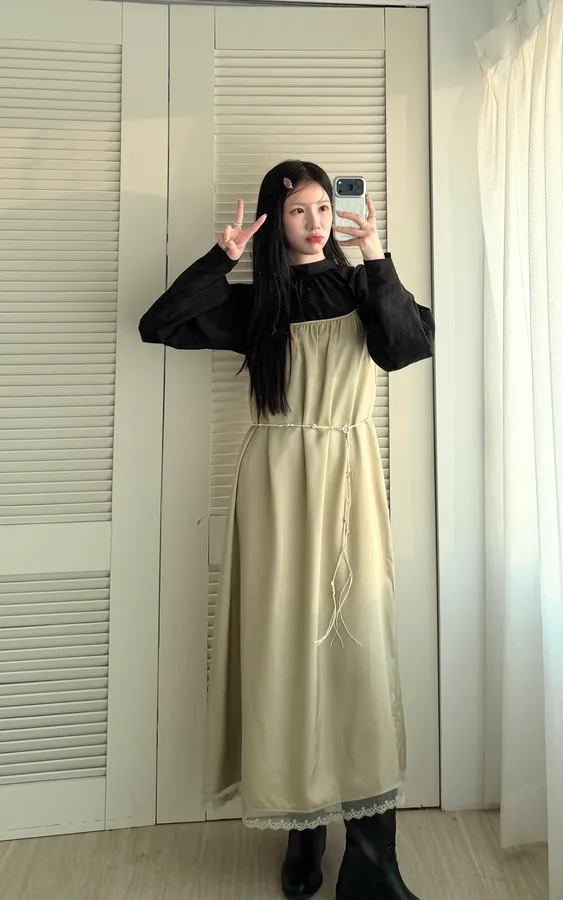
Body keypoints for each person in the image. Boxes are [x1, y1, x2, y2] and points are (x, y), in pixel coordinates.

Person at [139, 160, 434, 900]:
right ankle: (301, 835)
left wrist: (377, 259)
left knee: (357, 651)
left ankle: (373, 860)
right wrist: (222, 258)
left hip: (348, 477)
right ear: (277, 220)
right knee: (283, 651)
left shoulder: (362, 287)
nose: (316, 222)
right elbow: (158, 325)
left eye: (323, 207)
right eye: (299, 210)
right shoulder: (256, 304)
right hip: (275, 485)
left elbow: (408, 347)